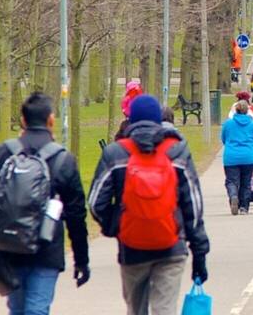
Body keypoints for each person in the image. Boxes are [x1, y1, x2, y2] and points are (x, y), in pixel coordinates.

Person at [90, 96, 210, 315]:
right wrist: (199, 253)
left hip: (132, 246)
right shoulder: (177, 151)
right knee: (164, 309)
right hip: (171, 245)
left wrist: (117, 224)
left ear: (131, 119)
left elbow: (96, 203)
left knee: (135, 310)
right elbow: (193, 205)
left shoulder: (115, 153)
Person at [0, 93, 91, 315]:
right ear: (51, 120)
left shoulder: (3, 153)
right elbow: (77, 214)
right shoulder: (63, 160)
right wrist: (81, 260)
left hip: (7, 247)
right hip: (46, 249)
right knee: (37, 308)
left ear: (23, 120)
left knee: (17, 308)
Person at [220, 101, 253, 214]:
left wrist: (231, 146)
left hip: (231, 157)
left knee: (231, 181)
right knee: (246, 182)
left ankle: (233, 196)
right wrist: (251, 147)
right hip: (248, 157)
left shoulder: (228, 124)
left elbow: (224, 138)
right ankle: (244, 207)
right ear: (247, 111)